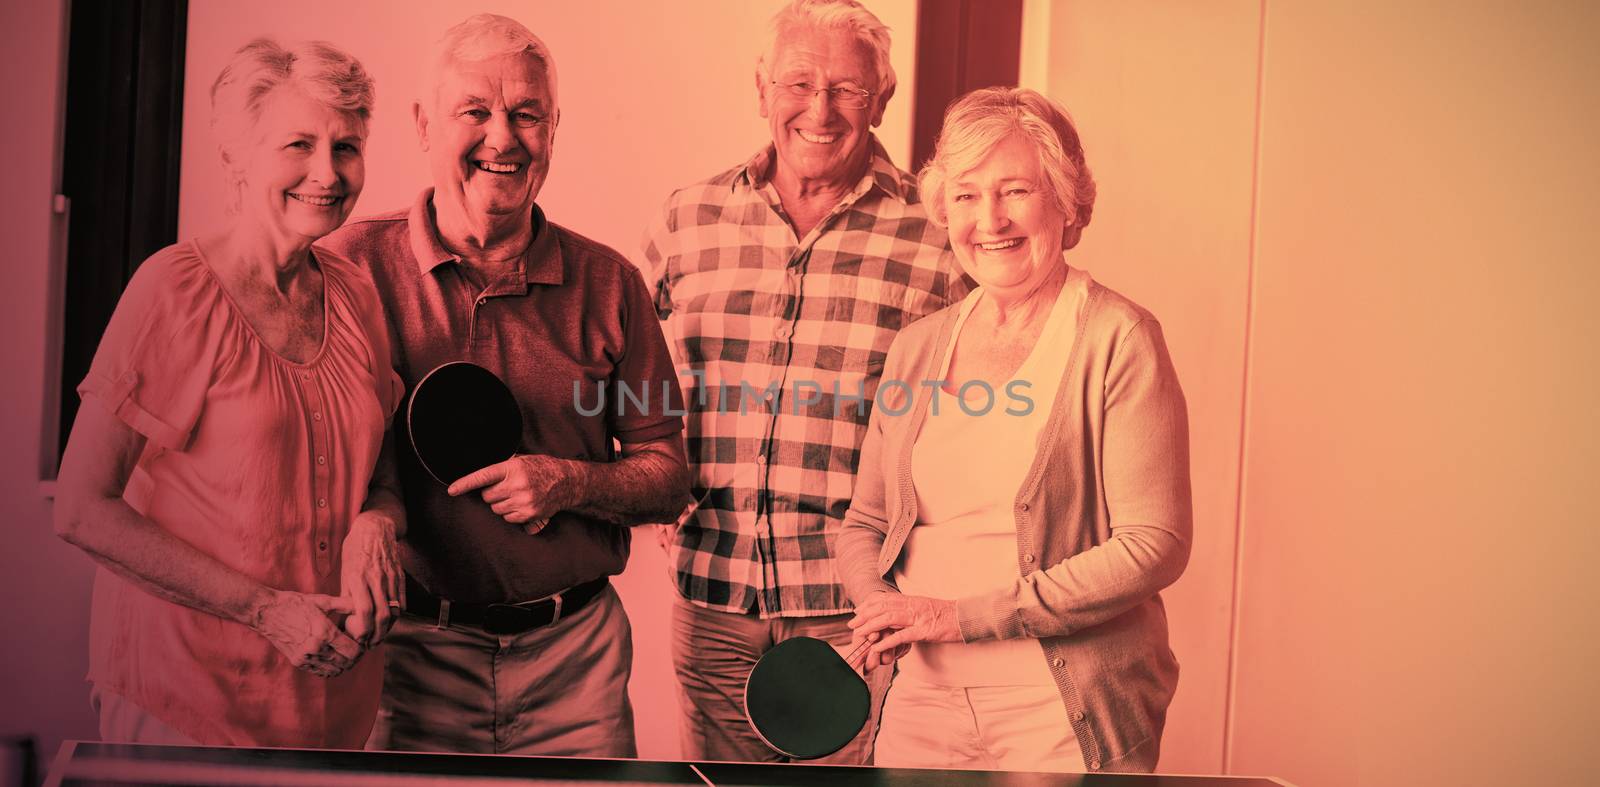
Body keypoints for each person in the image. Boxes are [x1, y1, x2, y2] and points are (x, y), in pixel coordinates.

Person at [318, 13, 690, 757]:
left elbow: (669, 476)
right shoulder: (346, 267)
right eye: (476, 111)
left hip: (575, 663)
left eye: (528, 114)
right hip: (411, 655)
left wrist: (569, 482)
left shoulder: (612, 283)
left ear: (554, 129)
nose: (504, 137)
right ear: (424, 124)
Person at [642, 0, 970, 764]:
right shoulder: (688, 219)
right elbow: (628, 370)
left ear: (882, 99)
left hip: (854, 616)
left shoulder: (937, 235)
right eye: (797, 83)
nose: (818, 110)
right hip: (713, 602)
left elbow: (973, 420)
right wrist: (658, 477)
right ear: (761, 90)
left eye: (847, 90)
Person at [53, 38, 405, 747]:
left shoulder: (358, 293)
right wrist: (264, 608)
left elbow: (383, 467)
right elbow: (81, 507)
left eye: (347, 146)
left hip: (329, 709)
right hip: (187, 705)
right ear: (234, 158)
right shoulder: (173, 290)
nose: (326, 173)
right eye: (298, 144)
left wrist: (378, 522)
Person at [837, 87, 1193, 774]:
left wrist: (960, 616)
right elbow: (865, 521)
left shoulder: (1119, 338)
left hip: (1058, 705)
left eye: (1015, 190)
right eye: (966, 195)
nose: (989, 219)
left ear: (1066, 201)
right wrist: (878, 599)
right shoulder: (917, 345)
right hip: (921, 700)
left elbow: (1154, 544)